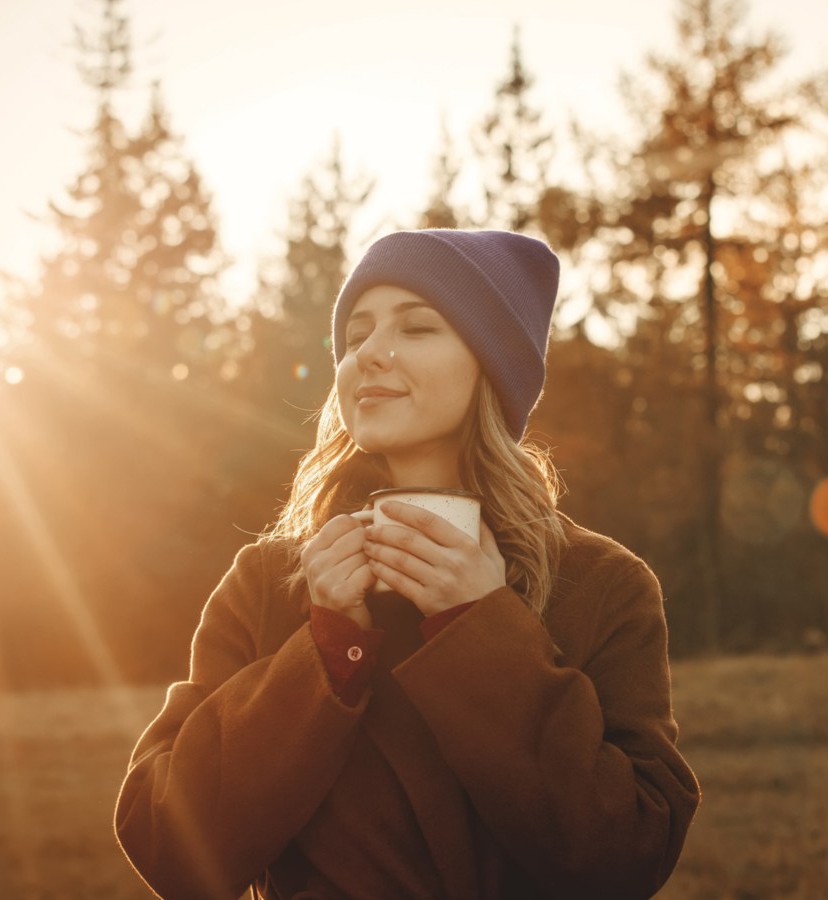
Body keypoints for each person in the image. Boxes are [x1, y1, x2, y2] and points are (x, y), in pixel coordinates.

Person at [114, 229, 700, 899]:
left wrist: (479, 629)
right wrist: (325, 652)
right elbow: (167, 845)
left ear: (492, 365)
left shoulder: (601, 585)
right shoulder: (269, 581)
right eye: (356, 333)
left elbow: (628, 855)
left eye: (418, 327)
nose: (370, 354)